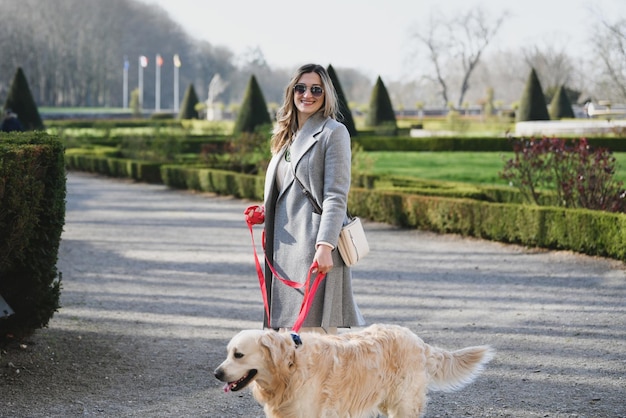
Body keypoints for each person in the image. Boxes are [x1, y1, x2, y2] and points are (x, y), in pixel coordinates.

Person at [262, 63, 365, 334]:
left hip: (313, 245)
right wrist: (266, 210)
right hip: (283, 246)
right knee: (288, 339)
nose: (307, 94)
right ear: (292, 91)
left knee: (317, 342)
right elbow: (288, 189)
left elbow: (336, 195)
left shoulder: (333, 132)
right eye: (301, 87)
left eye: (316, 89)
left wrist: (325, 245)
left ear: (326, 94)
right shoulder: (286, 135)